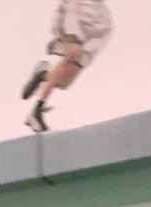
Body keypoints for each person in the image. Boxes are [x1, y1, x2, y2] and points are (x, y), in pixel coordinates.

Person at [21, 0, 113, 132]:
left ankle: (44, 75)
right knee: (73, 52)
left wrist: (88, 51)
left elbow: (103, 34)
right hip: (72, 14)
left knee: (65, 83)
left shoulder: (103, 15)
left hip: (89, 28)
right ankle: (37, 111)